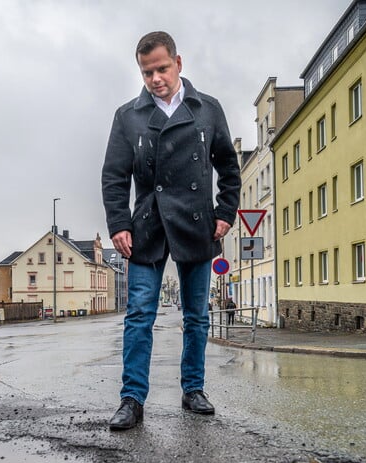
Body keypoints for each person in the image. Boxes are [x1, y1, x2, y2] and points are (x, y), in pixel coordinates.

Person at [102, 31, 240, 431]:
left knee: (196, 315)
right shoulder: (128, 115)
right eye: (147, 72)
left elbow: (229, 168)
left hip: (197, 223)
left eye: (162, 68)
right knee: (139, 314)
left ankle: (193, 389)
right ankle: (132, 399)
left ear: (179, 63)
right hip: (146, 226)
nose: (155, 78)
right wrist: (118, 224)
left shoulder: (207, 110)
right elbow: (114, 176)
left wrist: (225, 213)